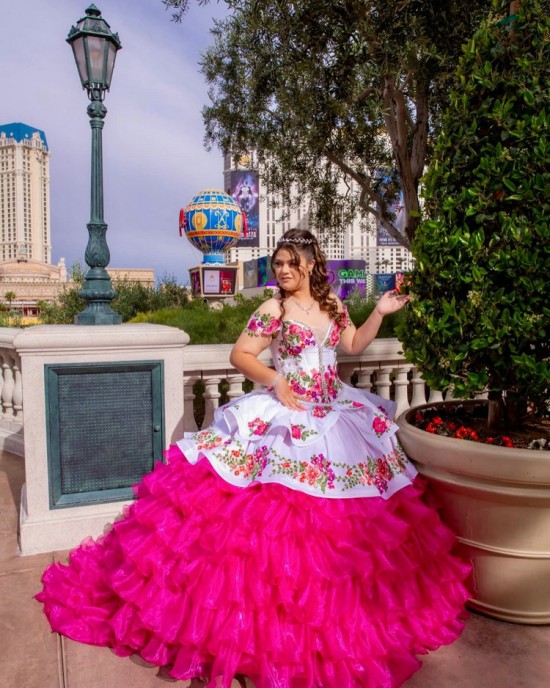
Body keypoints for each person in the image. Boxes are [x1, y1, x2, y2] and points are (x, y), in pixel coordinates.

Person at [36, 229, 470, 688]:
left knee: (350, 520)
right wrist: (275, 381)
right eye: (277, 264)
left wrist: (379, 313)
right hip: (288, 411)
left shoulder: (334, 306)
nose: (281, 271)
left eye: (289, 263)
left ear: (310, 263)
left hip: (335, 411)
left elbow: (353, 347)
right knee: (270, 521)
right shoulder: (273, 309)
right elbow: (240, 354)